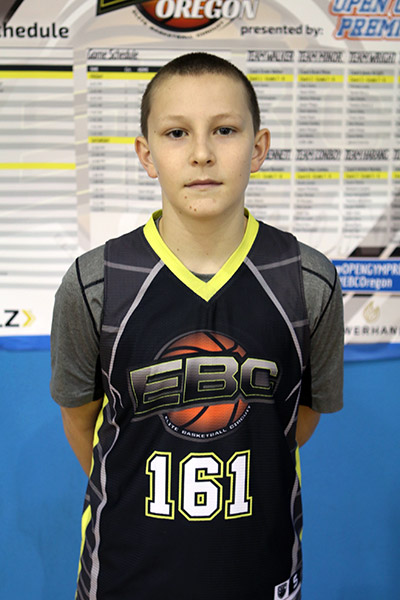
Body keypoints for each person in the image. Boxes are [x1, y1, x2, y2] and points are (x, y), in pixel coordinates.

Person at [50, 52, 343, 600]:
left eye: (225, 130)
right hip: (126, 573)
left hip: (261, 569)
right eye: (177, 133)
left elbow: (298, 420)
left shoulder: (307, 280)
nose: (202, 153)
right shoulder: (96, 283)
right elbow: (81, 421)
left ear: (259, 148)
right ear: (147, 154)